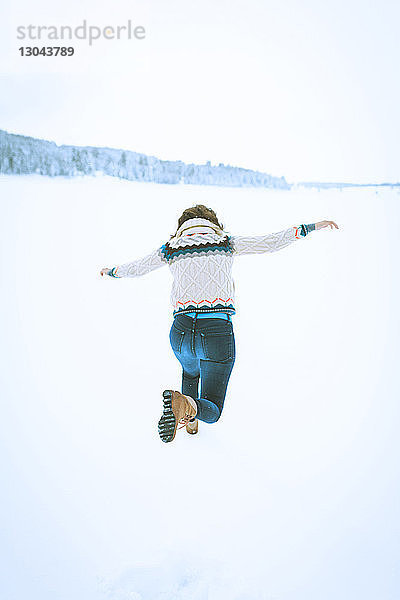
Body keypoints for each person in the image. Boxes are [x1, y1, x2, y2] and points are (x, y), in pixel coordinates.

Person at [100, 205, 339, 443]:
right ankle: (188, 408)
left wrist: (112, 272)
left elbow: (138, 267)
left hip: (180, 332)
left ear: (183, 226)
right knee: (212, 408)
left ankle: (189, 418)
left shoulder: (171, 248)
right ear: (212, 222)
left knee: (190, 372)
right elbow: (270, 242)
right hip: (216, 332)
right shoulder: (225, 242)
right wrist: (309, 228)